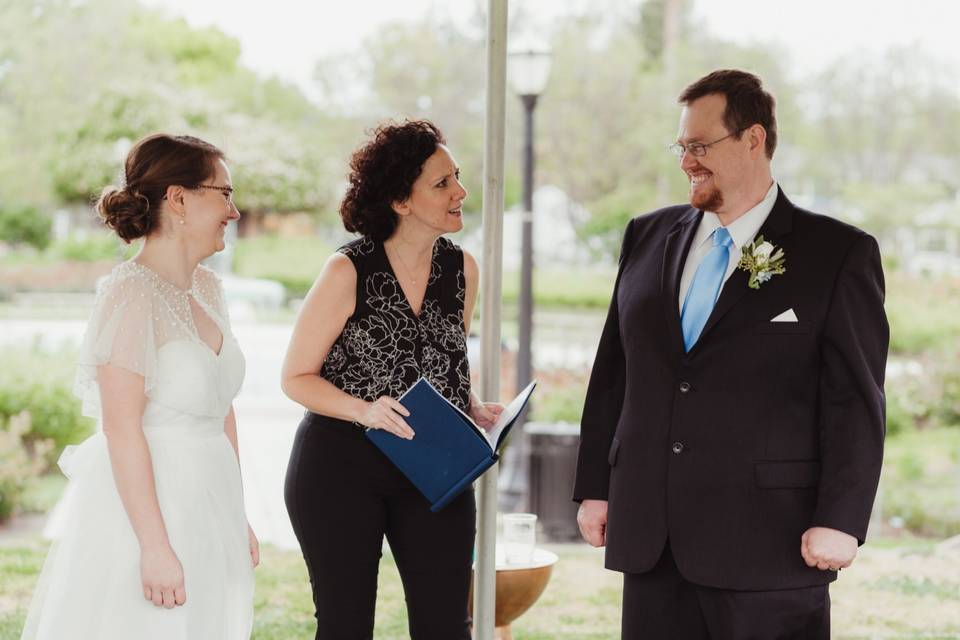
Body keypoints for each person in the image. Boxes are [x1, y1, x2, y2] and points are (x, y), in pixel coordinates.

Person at [573, 69, 889, 639]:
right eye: (682, 146)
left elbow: (855, 402)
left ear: (753, 139)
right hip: (654, 541)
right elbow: (614, 371)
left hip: (769, 546)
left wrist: (840, 520)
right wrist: (596, 485)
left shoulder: (838, 253)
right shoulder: (646, 234)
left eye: (700, 146)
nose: (687, 160)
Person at [21, 134, 258, 640]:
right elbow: (121, 429)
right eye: (225, 193)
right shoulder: (130, 293)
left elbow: (223, 409)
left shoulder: (210, 287)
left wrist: (236, 515)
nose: (234, 212)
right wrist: (154, 546)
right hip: (152, 506)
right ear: (178, 199)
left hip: (210, 496)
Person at [281, 119, 503, 640]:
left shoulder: (462, 269)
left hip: (436, 471)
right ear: (401, 200)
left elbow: (438, 358)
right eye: (442, 183)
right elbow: (295, 377)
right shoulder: (347, 270)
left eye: (458, 178)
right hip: (339, 467)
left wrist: (468, 403)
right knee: (345, 626)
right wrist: (365, 409)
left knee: (447, 626)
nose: (460, 192)